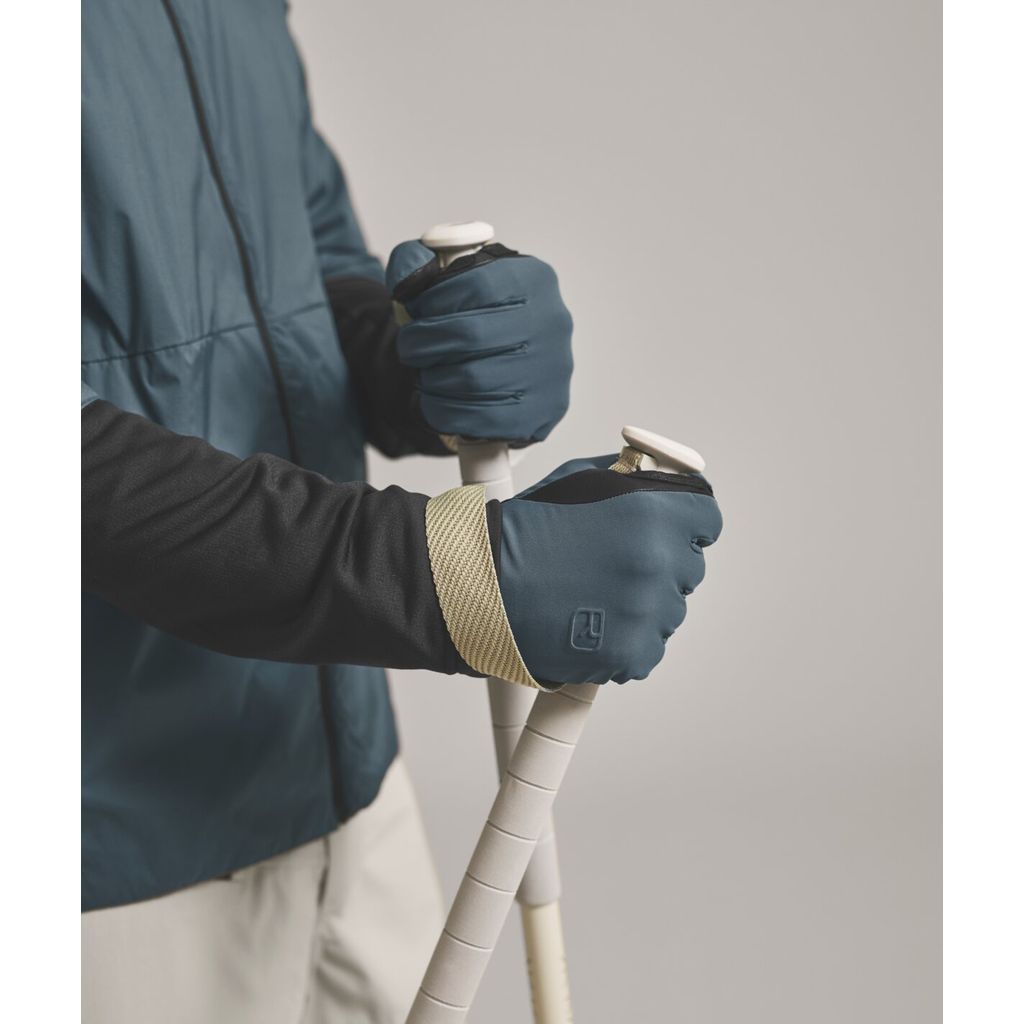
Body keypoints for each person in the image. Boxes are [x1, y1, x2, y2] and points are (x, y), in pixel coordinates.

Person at [81, 3, 723, 1023]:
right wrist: (440, 580)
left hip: (342, 779)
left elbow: (305, 257)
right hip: (115, 860)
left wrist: (414, 358)